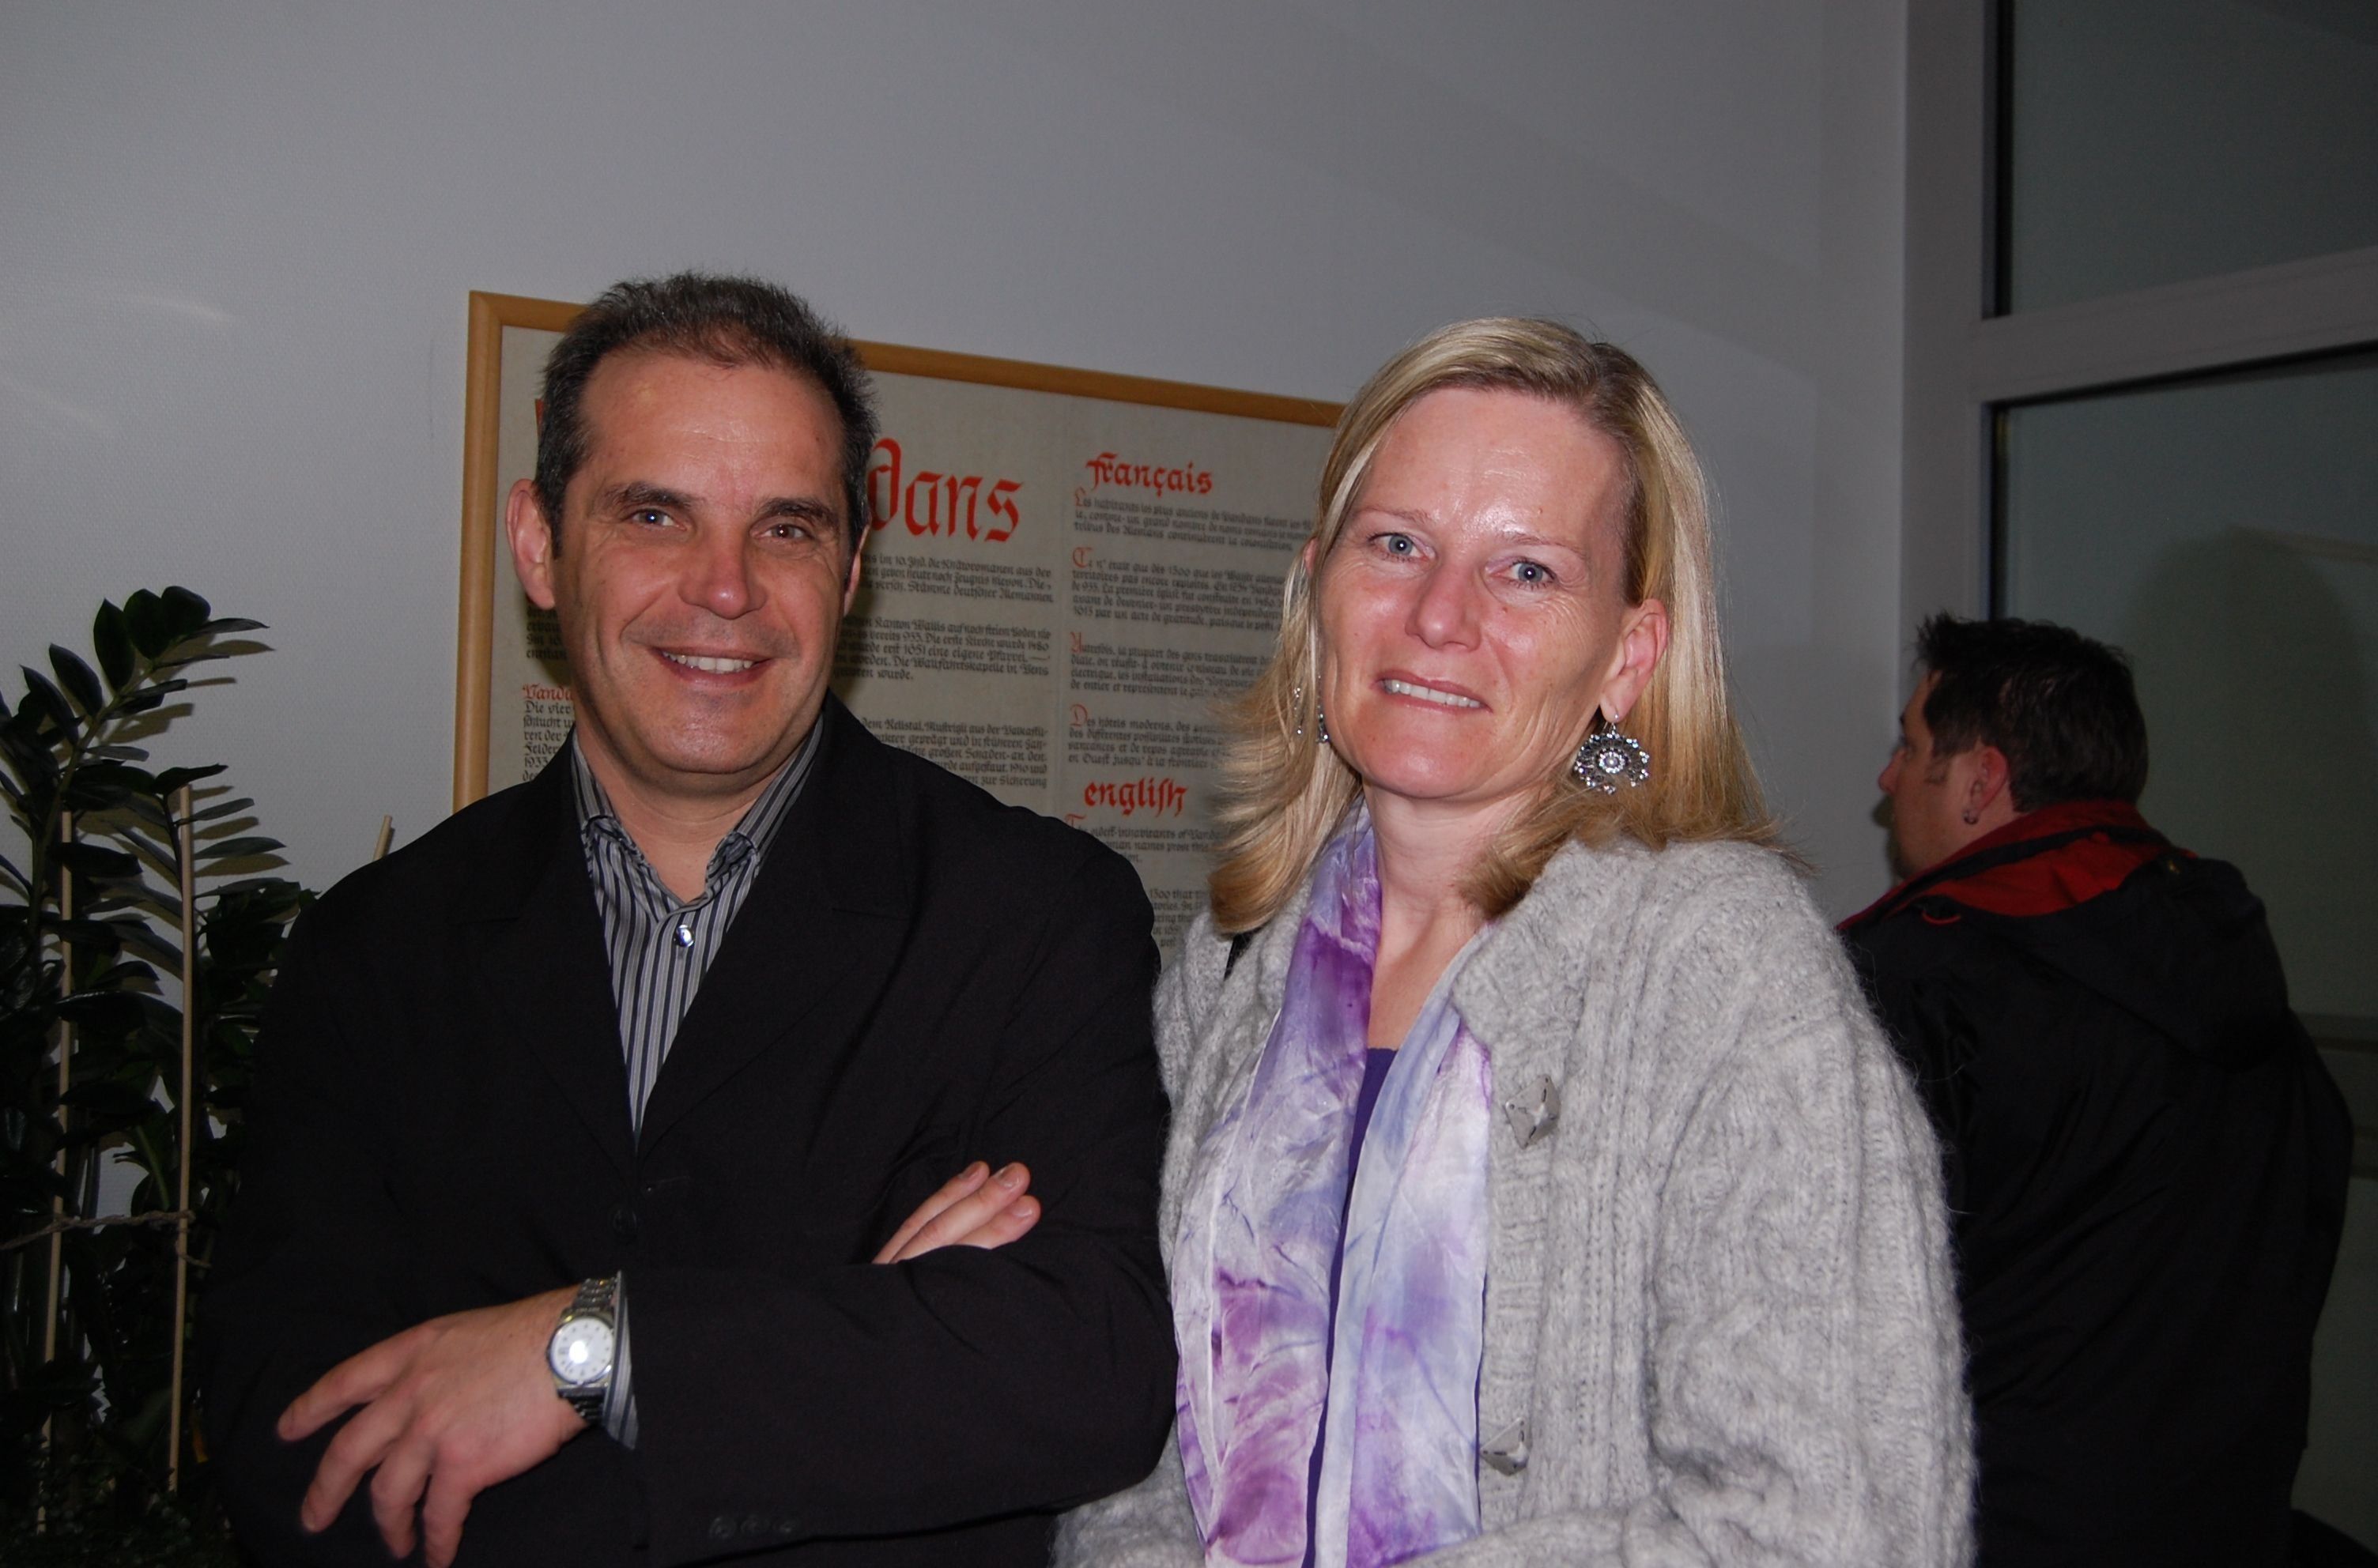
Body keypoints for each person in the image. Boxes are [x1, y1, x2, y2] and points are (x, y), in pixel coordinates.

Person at [198, 272, 1176, 1566]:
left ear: (852, 569)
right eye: (655, 514)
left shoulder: (1034, 917)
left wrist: (588, 1351)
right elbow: (302, 1450)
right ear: (540, 545)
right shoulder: (376, 950)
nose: (725, 589)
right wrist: (857, 1339)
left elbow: (1086, 1375)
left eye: (787, 528)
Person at [1055, 318, 1972, 1568]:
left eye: (1527, 571)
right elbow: (1135, 1446)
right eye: (1397, 545)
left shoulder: (1720, 974)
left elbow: (1836, 1533)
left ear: (1628, 658)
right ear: (1319, 589)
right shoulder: (1233, 964)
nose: (1440, 615)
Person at [1840, 614, 2352, 1567]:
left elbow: (1823, 1310)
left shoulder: (1924, 981)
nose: (1885, 776)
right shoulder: (2262, 1012)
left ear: (1980, 780)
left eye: (1908, 746)